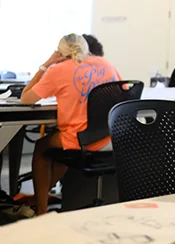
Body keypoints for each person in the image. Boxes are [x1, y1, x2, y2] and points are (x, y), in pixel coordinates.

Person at [20, 34, 121, 214]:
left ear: (60, 52)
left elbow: (25, 98)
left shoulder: (58, 70)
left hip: (80, 139)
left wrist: (47, 63)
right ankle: (40, 197)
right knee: (62, 149)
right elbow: (122, 93)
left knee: (42, 147)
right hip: (109, 135)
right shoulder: (106, 64)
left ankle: (40, 209)